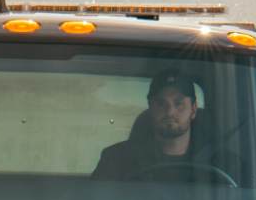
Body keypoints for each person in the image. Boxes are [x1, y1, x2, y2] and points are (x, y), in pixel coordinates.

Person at [93, 69, 230, 182]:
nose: (170, 112)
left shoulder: (223, 163)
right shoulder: (116, 159)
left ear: (193, 110)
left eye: (178, 103)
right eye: (161, 103)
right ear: (150, 108)